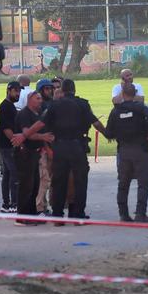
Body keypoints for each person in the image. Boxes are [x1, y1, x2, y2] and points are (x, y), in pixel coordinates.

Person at [43, 79, 108, 224]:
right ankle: (78, 214)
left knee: (59, 181)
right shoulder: (82, 104)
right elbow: (95, 123)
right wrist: (108, 134)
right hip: (77, 146)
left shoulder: (54, 105)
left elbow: (43, 124)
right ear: (74, 89)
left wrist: (26, 135)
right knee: (80, 181)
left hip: (59, 146)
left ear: (63, 90)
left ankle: (58, 215)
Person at [106, 82, 148, 222]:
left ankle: (123, 214)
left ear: (122, 94)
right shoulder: (140, 108)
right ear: (135, 94)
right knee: (143, 183)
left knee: (123, 183)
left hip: (123, 150)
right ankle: (140, 213)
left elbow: (109, 133)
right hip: (140, 149)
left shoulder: (116, 111)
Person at [14, 91, 52, 225]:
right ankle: (21, 216)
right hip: (25, 153)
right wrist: (43, 137)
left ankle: (31, 214)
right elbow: (26, 134)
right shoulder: (24, 114)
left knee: (35, 184)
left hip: (35, 153)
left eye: (41, 98)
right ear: (30, 100)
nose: (40, 101)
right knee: (26, 185)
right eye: (37, 98)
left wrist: (45, 146)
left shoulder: (38, 114)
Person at [0, 81, 22, 213]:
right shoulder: (5, 107)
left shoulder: (10, 106)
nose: (18, 94)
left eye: (19, 91)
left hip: (6, 146)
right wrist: (17, 142)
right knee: (14, 173)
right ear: (8, 90)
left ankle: (6, 204)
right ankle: (13, 203)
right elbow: (6, 129)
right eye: (16, 91)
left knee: (7, 174)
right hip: (8, 146)